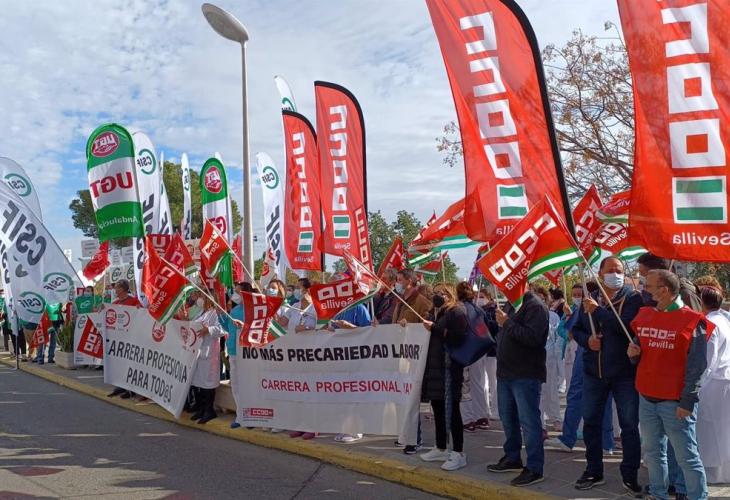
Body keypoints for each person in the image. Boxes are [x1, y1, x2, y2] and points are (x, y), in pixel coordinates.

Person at [628, 269, 709, 500]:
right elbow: (639, 353)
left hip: (675, 403)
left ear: (663, 290)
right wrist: (633, 354)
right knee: (653, 454)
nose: (644, 290)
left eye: (648, 286)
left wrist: (687, 401)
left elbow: (697, 366)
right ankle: (658, 494)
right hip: (647, 398)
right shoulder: (645, 316)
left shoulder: (692, 321)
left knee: (687, 457)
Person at [571, 257, 643, 493]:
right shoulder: (590, 298)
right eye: (611, 270)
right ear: (600, 273)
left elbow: (627, 328)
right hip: (594, 372)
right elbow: (576, 329)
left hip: (624, 374)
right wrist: (587, 341)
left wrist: (599, 311)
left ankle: (630, 474)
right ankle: (593, 470)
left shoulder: (633, 298)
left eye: (619, 270)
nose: (616, 274)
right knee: (591, 422)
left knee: (629, 425)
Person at [486, 287, 549, 487]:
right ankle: (512, 457)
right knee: (508, 418)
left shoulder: (535, 306)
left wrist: (507, 323)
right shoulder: (511, 304)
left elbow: (533, 338)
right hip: (506, 373)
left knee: (529, 422)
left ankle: (534, 468)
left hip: (525, 374)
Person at [545, 284, 616, 454]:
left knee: (585, 396)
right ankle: (602, 442)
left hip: (594, 356)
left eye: (580, 294)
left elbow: (571, 333)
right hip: (591, 353)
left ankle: (581, 440)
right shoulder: (592, 305)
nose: (578, 297)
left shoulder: (611, 303)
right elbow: (571, 331)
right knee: (596, 398)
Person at [420, 283, 468, 471]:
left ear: (450, 295)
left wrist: (435, 328)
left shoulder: (457, 312)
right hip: (436, 368)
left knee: (452, 410)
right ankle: (441, 447)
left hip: (449, 368)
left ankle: (458, 452)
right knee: (438, 408)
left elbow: (459, 337)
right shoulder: (437, 313)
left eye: (441, 293)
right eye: (435, 293)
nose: (437, 296)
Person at [696, 285, 730, 485]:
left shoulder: (709, 323)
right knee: (724, 429)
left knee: (710, 429)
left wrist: (697, 386)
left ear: (701, 302)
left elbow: (708, 360)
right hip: (724, 379)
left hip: (714, 383)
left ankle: (713, 473)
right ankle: (723, 471)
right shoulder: (724, 319)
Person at [190, 295, 229, 424]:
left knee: (208, 382)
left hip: (209, 353)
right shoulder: (201, 312)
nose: (199, 299)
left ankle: (209, 410)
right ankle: (201, 408)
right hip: (198, 352)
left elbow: (223, 329)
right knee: (199, 381)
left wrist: (209, 330)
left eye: (202, 296)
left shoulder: (216, 313)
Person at [462, 287, 494, 432]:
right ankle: (481, 417)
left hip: (465, 350)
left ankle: (468, 419)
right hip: (479, 350)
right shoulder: (479, 311)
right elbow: (485, 330)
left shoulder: (460, 310)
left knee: (465, 385)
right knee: (478, 383)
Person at [107, 280, 141, 398]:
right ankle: (121, 385)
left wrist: (138, 309)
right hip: (119, 339)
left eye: (117, 288)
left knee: (130, 363)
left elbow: (142, 315)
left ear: (123, 289)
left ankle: (131, 389)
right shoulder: (114, 303)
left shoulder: (134, 301)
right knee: (120, 363)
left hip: (131, 337)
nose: (115, 290)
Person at [637, 253, 701, 312]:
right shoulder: (654, 297)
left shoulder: (685, 293)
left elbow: (693, 318)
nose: (646, 282)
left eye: (647, 276)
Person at [540, 287, 563, 433]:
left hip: (550, 358)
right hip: (534, 359)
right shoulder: (528, 316)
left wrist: (557, 358)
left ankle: (555, 418)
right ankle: (540, 423)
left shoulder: (553, 316)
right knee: (539, 391)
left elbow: (558, 337)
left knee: (551, 389)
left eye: (543, 299)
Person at [476, 289, 499, 422]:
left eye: (482, 296)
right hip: (480, 351)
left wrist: (485, 320)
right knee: (482, 382)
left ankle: (496, 410)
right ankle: (484, 410)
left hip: (492, 351)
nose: (480, 299)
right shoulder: (476, 310)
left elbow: (495, 329)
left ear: (489, 298)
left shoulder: (495, 311)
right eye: (478, 296)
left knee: (493, 382)